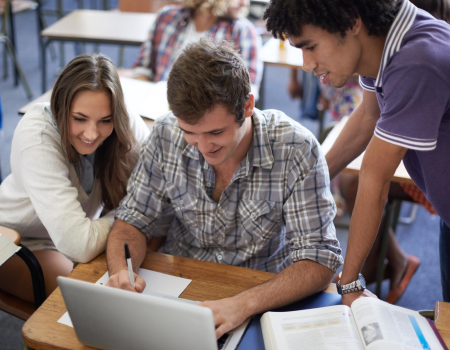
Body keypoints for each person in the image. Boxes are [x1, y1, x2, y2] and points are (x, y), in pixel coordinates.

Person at [105, 38, 343, 338]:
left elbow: (319, 259)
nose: (204, 146)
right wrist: (120, 276)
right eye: (189, 132)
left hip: (262, 294)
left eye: (216, 132)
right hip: (179, 283)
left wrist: (242, 304)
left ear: (247, 106)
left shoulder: (296, 148)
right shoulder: (166, 133)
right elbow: (131, 223)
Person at [264, 0, 450, 304]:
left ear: (351, 21)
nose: (307, 64)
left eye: (310, 46)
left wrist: (348, 283)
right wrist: (299, 187)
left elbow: (374, 178)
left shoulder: (417, 59)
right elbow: (367, 117)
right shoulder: (384, 40)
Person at [0, 54, 150, 303]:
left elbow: (156, 178)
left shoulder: (120, 116)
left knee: (130, 288)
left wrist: (131, 219)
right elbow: (79, 244)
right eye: (79, 118)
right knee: (91, 302)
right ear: (60, 106)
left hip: (81, 231)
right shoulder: (37, 136)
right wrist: (130, 219)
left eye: (105, 121)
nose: (92, 133)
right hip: (16, 239)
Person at [132, 0, 262, 93]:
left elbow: (247, 90)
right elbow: (143, 68)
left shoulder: (243, 31)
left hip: (206, 115)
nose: (244, 3)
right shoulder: (166, 17)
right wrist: (147, 96)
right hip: (157, 105)